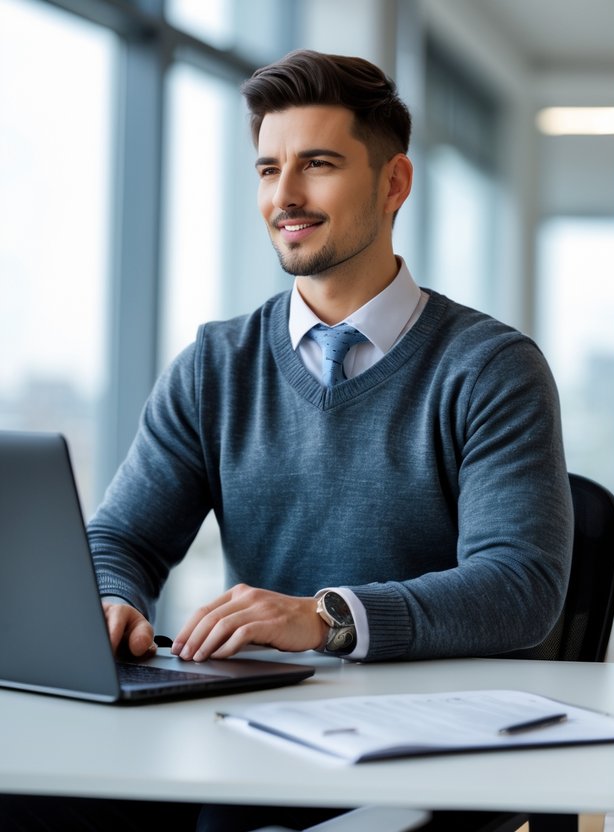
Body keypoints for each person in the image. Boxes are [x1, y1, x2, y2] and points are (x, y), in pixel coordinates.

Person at [2, 49, 572, 832]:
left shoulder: (488, 368)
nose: (286, 196)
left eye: (319, 164)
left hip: (426, 747)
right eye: (268, 169)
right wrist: (111, 601)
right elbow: (122, 537)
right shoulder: (216, 362)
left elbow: (519, 587)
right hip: (251, 731)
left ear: (394, 182)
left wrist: (328, 617)